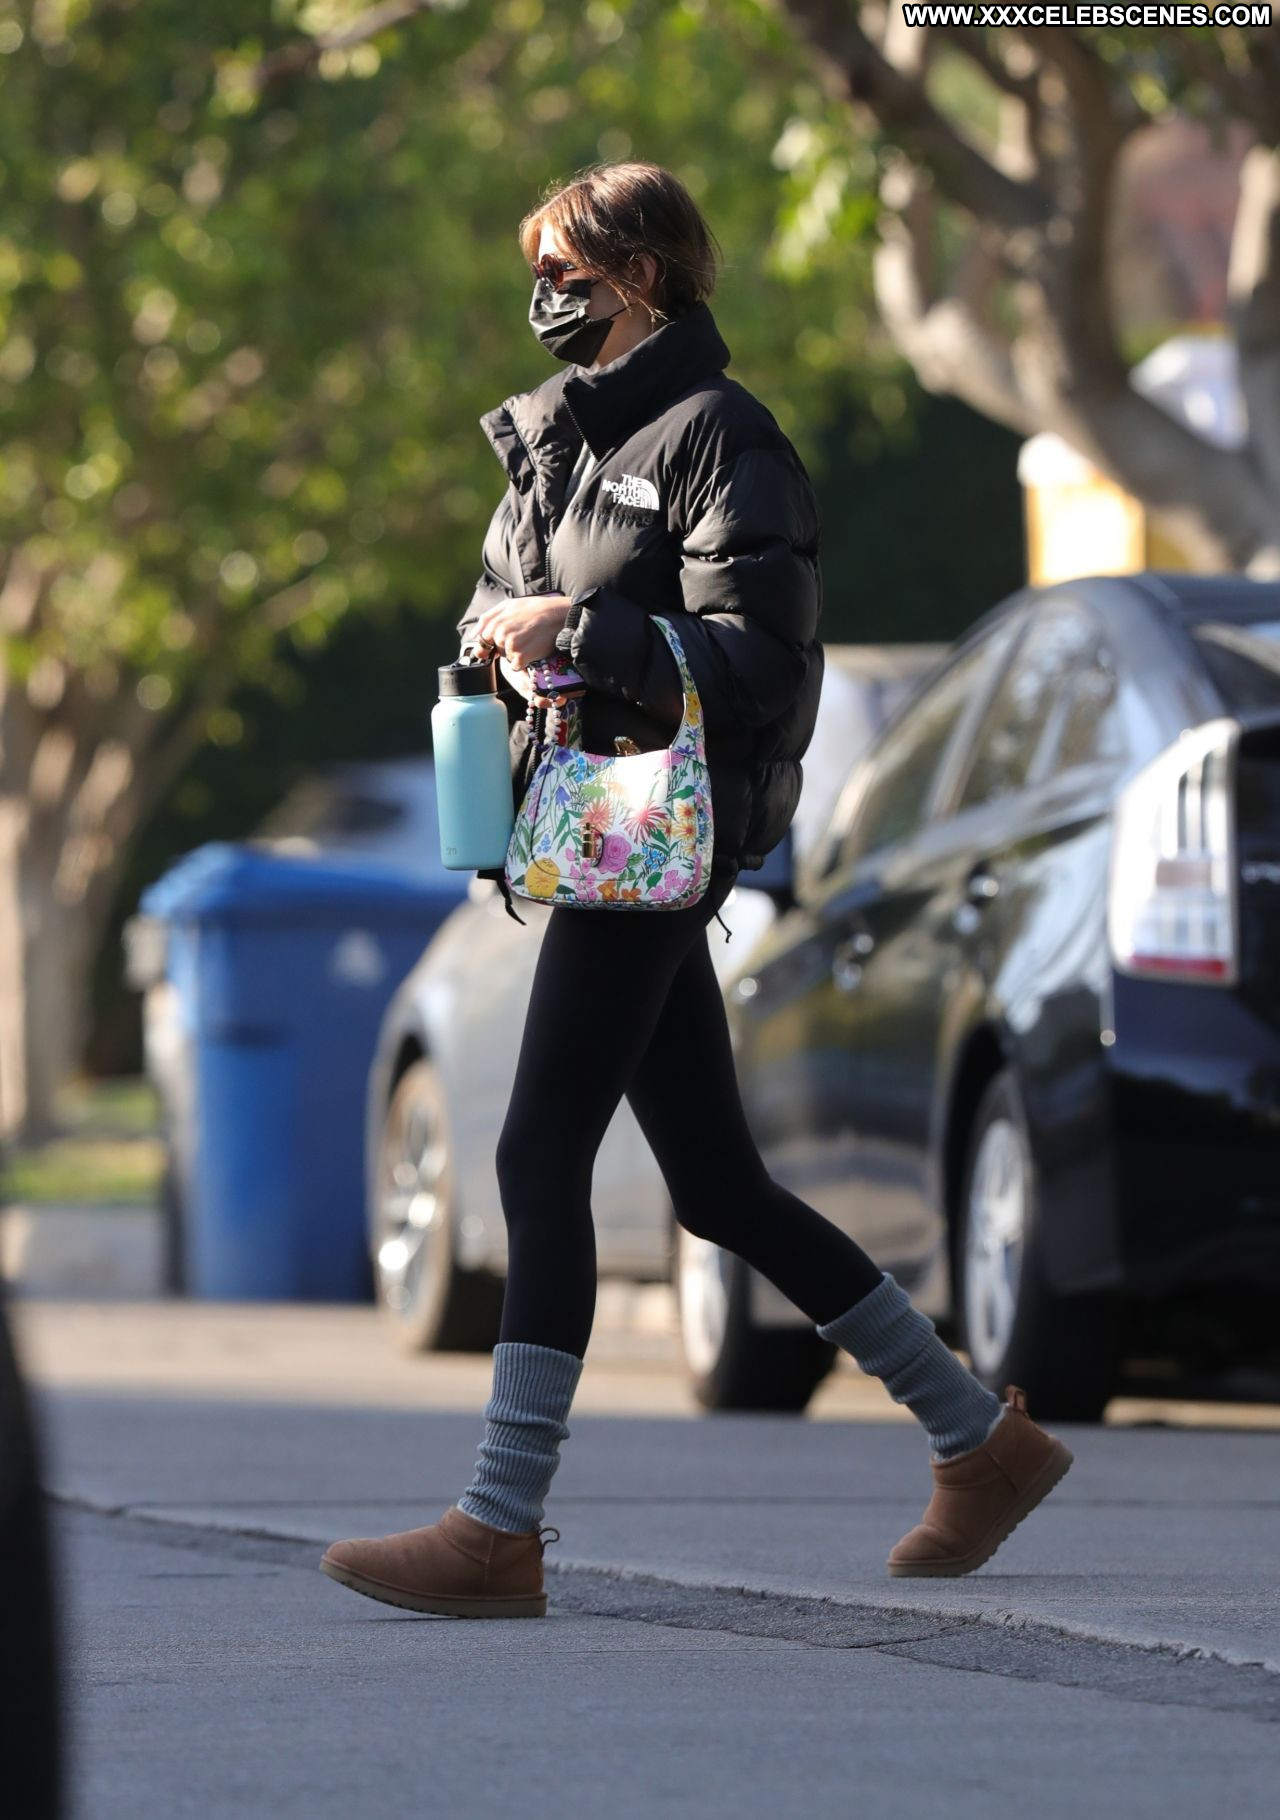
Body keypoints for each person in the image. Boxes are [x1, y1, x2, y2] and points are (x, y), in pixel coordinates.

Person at [321, 162, 1071, 1620]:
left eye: (565, 273)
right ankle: (980, 1439)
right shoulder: (553, 439)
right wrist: (505, 636)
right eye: (538, 272)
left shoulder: (726, 438)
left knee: (537, 1156)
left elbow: (765, 661)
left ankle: (500, 1527)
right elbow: (498, 593)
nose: (543, 297)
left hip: (652, 837)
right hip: (586, 828)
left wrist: (589, 631)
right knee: (720, 1186)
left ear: (641, 277)